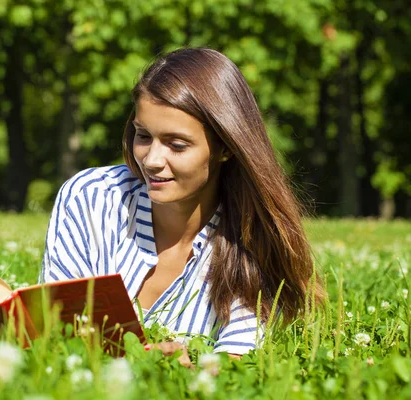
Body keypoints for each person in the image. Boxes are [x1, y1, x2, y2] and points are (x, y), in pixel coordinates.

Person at [40, 47, 326, 366]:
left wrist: (190, 371)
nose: (151, 160)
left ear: (225, 148)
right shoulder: (91, 197)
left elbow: (237, 367)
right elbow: (56, 332)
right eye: (143, 135)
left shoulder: (250, 244)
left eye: (177, 145)